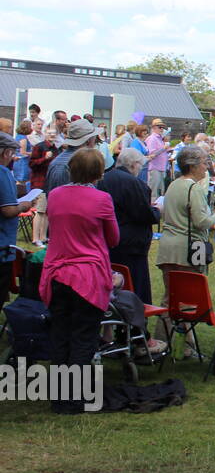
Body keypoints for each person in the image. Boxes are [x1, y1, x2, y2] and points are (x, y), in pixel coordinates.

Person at [40, 148, 118, 413]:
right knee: (84, 337)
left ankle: (59, 397)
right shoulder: (102, 199)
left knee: (61, 335)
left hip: (58, 272)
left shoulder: (56, 195)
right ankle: (75, 399)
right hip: (87, 275)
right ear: (98, 172)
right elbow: (113, 238)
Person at [155, 144, 215, 357]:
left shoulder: (173, 185)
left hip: (168, 247)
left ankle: (162, 345)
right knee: (188, 300)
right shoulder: (194, 188)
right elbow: (201, 221)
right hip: (187, 249)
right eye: (204, 162)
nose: (206, 167)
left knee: (169, 299)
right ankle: (183, 346)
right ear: (192, 165)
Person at [96, 147, 159, 305]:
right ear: (133, 164)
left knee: (113, 278)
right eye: (140, 165)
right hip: (131, 242)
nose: (140, 169)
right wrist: (157, 211)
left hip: (109, 238)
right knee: (134, 284)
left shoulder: (105, 178)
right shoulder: (133, 182)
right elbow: (143, 213)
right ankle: (133, 317)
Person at [0, 133, 37, 308]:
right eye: (11, 153)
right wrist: (24, 205)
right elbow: (8, 210)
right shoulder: (3, 172)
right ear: (5, 153)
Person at [42, 117, 100, 194]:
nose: (95, 142)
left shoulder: (81, 160)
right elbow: (58, 199)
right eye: (94, 139)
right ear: (88, 141)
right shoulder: (62, 165)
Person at [144, 119, 170, 198]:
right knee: (153, 193)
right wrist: (164, 148)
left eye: (163, 127)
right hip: (155, 168)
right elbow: (151, 154)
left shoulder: (160, 139)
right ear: (154, 127)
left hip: (161, 168)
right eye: (160, 127)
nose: (162, 129)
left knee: (160, 192)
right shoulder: (152, 138)